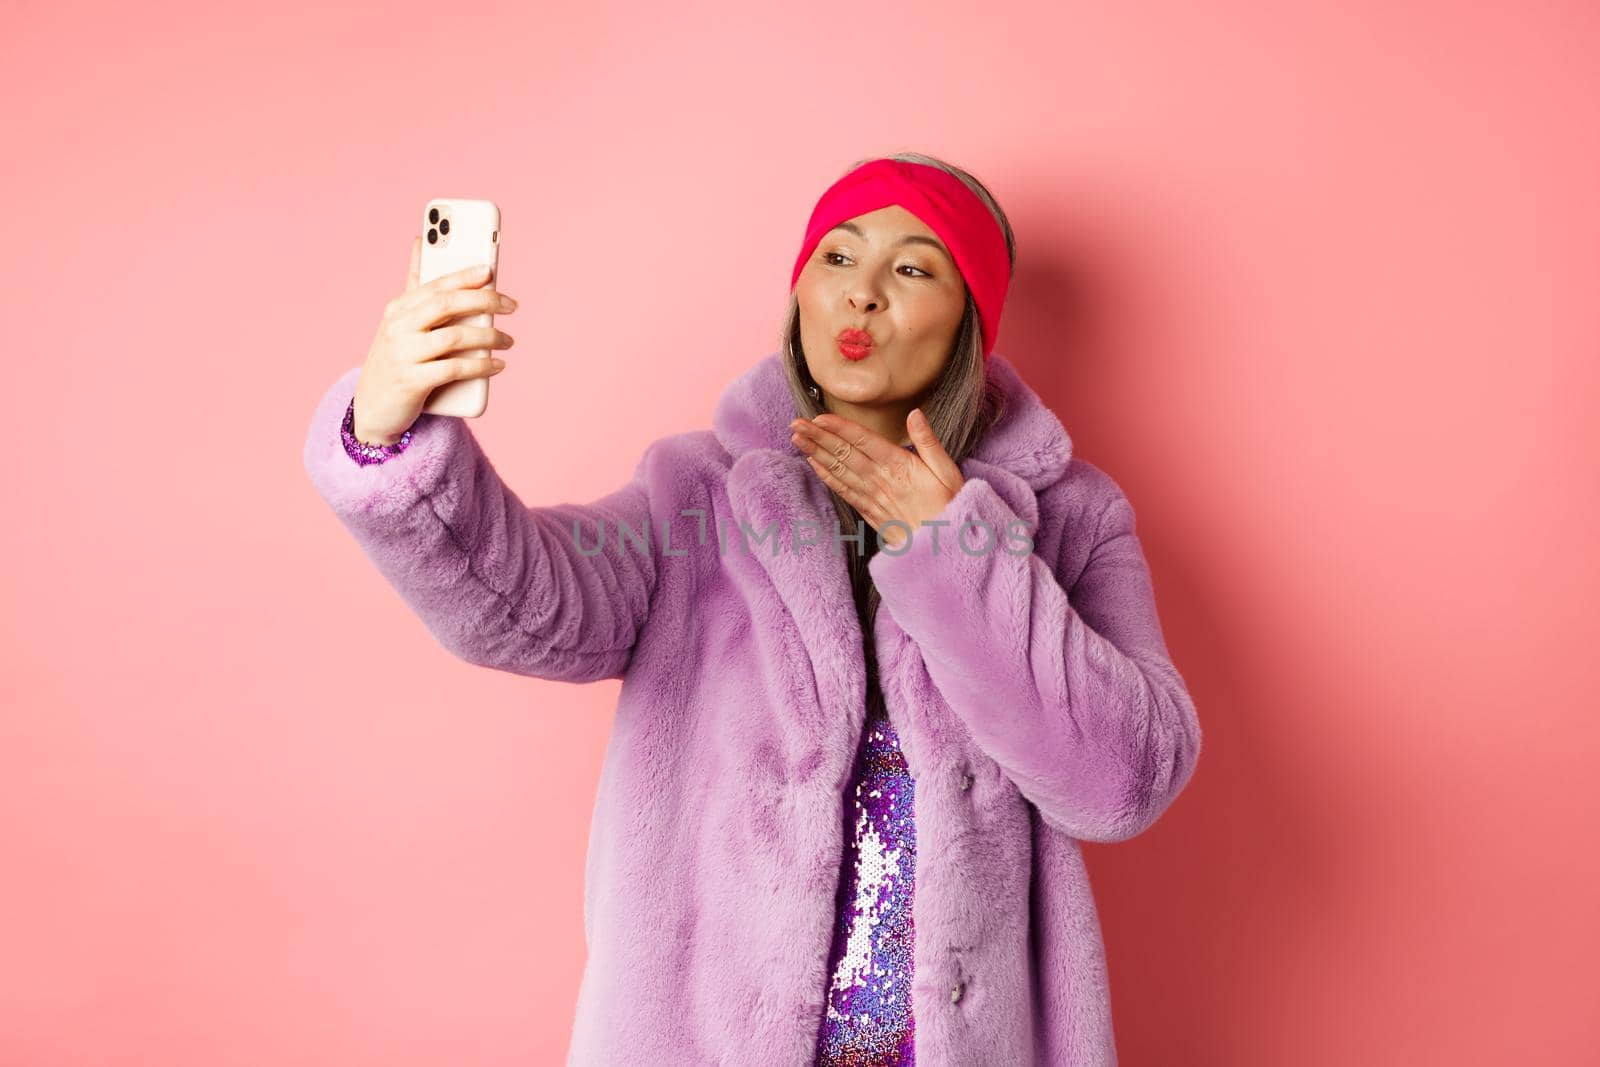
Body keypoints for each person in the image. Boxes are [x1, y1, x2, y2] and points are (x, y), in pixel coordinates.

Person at [303, 152, 1202, 1066]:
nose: (862, 296)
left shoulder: (1072, 520)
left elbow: (1123, 782)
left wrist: (951, 549)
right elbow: (523, 605)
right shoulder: (695, 497)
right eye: (839, 258)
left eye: (914, 268)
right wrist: (387, 438)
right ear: (800, 292)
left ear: (971, 320)